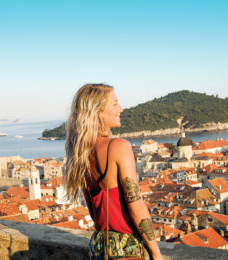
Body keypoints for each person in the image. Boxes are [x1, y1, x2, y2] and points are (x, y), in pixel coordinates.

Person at [64, 84, 163, 260]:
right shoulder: (118, 147)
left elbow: (94, 211)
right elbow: (136, 205)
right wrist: (156, 253)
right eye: (115, 104)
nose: (121, 109)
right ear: (98, 111)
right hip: (127, 248)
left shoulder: (80, 153)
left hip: (100, 245)